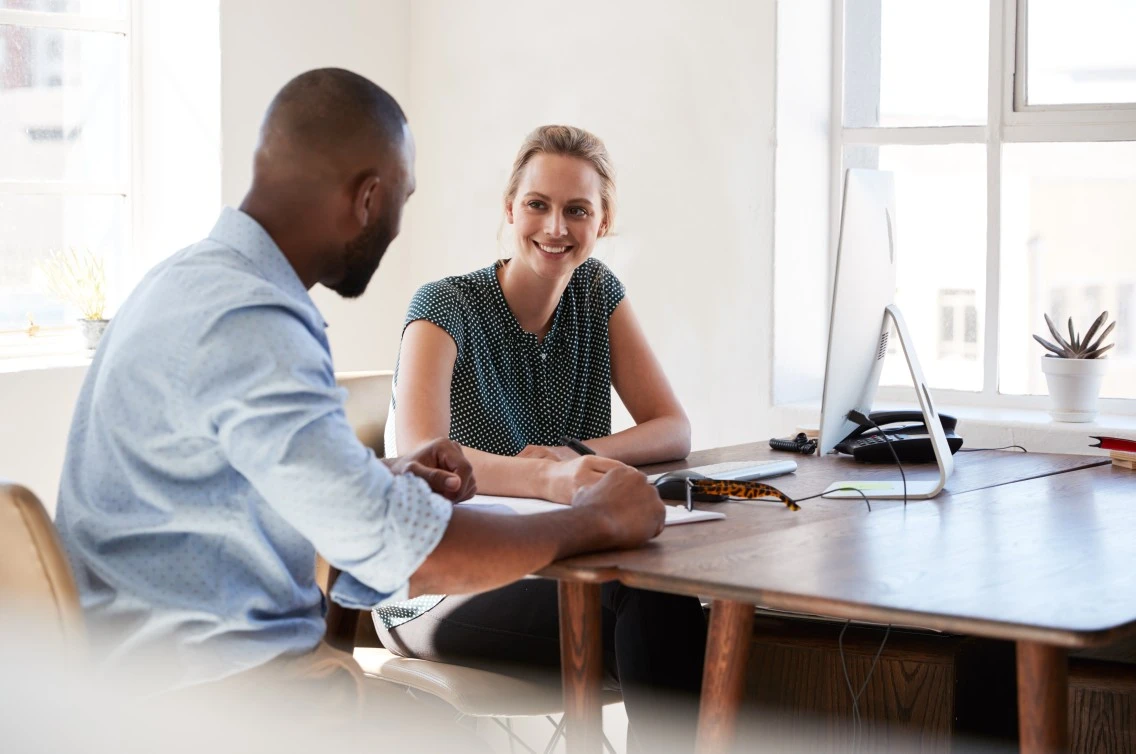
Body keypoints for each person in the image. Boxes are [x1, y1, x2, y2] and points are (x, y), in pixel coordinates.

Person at [52, 70, 665, 711]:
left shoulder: (185, 281)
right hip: (216, 698)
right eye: (403, 198)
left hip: (162, 673)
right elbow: (409, 553)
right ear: (369, 198)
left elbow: (227, 482)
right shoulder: (254, 321)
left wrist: (377, 475)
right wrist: (594, 519)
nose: (397, 228)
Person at [381, 125, 707, 752]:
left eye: (577, 210)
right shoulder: (444, 308)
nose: (556, 227)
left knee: (668, 598)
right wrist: (547, 478)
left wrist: (577, 456)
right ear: (510, 209)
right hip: (435, 587)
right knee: (652, 610)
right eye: (538, 204)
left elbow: (673, 427)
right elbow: (422, 457)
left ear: (603, 222)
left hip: (557, 567)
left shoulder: (597, 293)